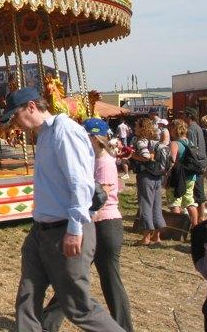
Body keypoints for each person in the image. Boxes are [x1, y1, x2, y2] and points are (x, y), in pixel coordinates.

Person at [0, 87, 125, 332]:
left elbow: (80, 183)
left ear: (32, 107)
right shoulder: (45, 134)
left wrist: (75, 227)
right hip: (42, 231)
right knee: (28, 295)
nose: (15, 122)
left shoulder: (65, 131)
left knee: (78, 307)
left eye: (15, 116)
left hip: (65, 230)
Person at [43, 118, 134, 332]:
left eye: (86, 136)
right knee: (73, 277)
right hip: (97, 224)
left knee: (106, 280)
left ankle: (122, 326)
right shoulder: (94, 159)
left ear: (94, 138)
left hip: (104, 226)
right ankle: (48, 322)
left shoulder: (104, 163)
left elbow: (98, 199)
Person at [132, 117, 167, 246]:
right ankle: (156, 236)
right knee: (157, 204)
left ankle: (146, 237)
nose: (134, 128)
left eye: (136, 126)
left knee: (146, 204)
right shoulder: (154, 140)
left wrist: (133, 155)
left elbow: (146, 156)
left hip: (146, 176)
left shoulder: (141, 141)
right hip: (157, 176)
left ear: (142, 128)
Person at [166, 119, 199, 227]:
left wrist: (166, 177)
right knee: (189, 201)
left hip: (178, 177)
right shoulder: (190, 142)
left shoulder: (174, 144)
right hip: (190, 176)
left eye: (171, 128)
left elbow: (172, 162)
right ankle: (195, 226)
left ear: (174, 130)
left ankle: (176, 229)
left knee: (175, 201)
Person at [185, 107, 207, 220]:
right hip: (201, 162)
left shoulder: (191, 130)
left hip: (196, 164)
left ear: (189, 116)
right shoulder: (198, 127)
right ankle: (200, 217)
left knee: (198, 192)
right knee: (199, 191)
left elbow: (192, 148)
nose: (182, 117)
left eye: (184, 115)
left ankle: (200, 218)